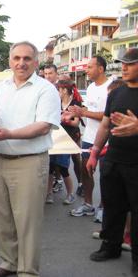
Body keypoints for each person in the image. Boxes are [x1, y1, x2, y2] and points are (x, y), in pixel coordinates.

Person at [0, 41, 60, 277]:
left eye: (27, 58)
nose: (21, 63)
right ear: (10, 61)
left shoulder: (45, 89)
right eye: (16, 58)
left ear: (36, 62)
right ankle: (9, 262)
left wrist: (9, 134)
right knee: (3, 216)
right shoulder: (0, 88)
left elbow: (43, 126)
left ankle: (27, 271)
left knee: (27, 220)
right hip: (0, 158)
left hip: (29, 161)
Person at [86, 48, 138, 277]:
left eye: (130, 63)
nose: (124, 67)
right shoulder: (116, 93)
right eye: (122, 63)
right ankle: (111, 246)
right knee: (113, 208)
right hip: (114, 160)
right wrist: (95, 152)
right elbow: (106, 125)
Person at [66, 56, 112, 218]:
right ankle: (88, 204)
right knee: (86, 171)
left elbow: (110, 115)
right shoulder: (91, 87)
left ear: (100, 68)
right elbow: (88, 108)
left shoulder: (111, 87)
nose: (87, 70)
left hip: (107, 139)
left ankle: (103, 208)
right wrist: (75, 111)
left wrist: (83, 112)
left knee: (107, 176)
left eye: (90, 67)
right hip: (89, 136)